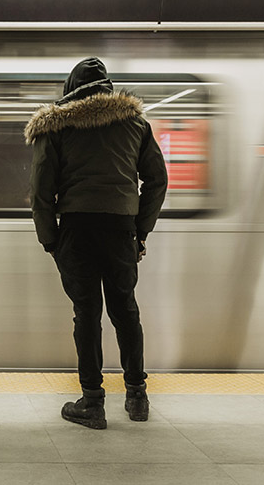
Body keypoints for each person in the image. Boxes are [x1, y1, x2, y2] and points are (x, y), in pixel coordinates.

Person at [25, 58, 168, 430]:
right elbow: (157, 180)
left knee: (86, 313)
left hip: (77, 228)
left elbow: (41, 191)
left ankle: (92, 402)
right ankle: (137, 395)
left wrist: (51, 241)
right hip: (121, 228)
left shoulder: (56, 126)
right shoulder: (135, 124)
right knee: (126, 310)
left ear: (70, 89)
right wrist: (140, 230)